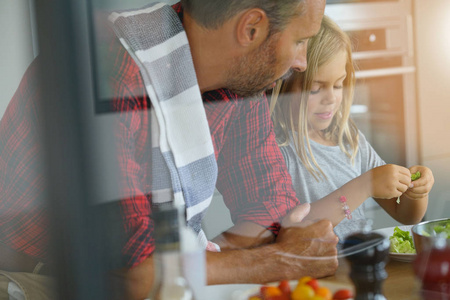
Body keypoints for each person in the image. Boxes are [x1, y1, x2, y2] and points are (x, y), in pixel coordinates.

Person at [0, 1, 339, 300]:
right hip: (36, 281)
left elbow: (270, 205)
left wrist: (222, 259)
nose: (302, 62)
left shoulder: (240, 80)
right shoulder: (104, 65)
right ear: (251, 28)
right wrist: (280, 259)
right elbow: (137, 271)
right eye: (300, 41)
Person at [270, 15, 434, 241]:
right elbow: (293, 232)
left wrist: (417, 192)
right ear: (285, 86)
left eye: (338, 85)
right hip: (314, 274)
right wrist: (365, 186)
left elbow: (406, 216)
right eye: (316, 89)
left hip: (357, 267)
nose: (331, 98)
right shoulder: (279, 150)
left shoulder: (349, 140)